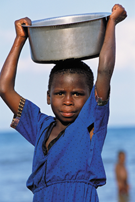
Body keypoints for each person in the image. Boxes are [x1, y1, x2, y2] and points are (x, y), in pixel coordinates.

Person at [0, 4, 127, 202]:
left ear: (90, 97)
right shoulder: (39, 126)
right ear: (48, 96)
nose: (68, 101)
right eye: (60, 93)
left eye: (77, 94)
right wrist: (20, 39)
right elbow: (4, 89)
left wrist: (111, 23)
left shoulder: (90, 122)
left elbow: (104, 71)